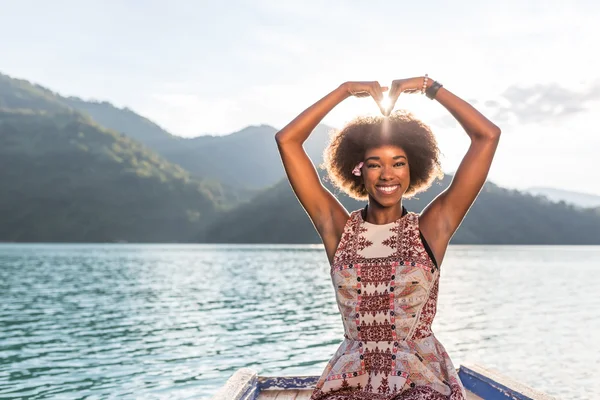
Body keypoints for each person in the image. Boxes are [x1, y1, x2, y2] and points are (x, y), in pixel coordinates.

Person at [274, 76, 501, 400]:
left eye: (398, 163)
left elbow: (487, 136)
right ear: (358, 170)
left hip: (420, 381)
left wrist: (429, 87)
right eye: (374, 164)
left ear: (412, 170)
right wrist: (344, 91)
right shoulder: (338, 229)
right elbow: (287, 141)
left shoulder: (431, 229)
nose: (387, 174)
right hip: (350, 380)